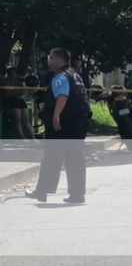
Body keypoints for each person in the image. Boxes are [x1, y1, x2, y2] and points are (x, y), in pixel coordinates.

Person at [25, 48, 92, 204]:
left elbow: (62, 96)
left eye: (51, 58)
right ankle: (77, 194)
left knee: (51, 157)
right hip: (79, 122)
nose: (49, 61)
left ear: (58, 59)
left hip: (64, 124)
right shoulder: (75, 75)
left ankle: (41, 191)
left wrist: (55, 116)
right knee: (75, 159)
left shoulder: (60, 77)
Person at [1, 67, 34, 140]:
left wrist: (15, 91)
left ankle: (32, 138)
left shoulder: (20, 81)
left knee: (26, 120)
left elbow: (22, 93)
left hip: (20, 101)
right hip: (11, 102)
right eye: (11, 73)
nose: (13, 75)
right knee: (17, 118)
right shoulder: (5, 82)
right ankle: (21, 137)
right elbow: (7, 94)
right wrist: (15, 92)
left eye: (14, 73)